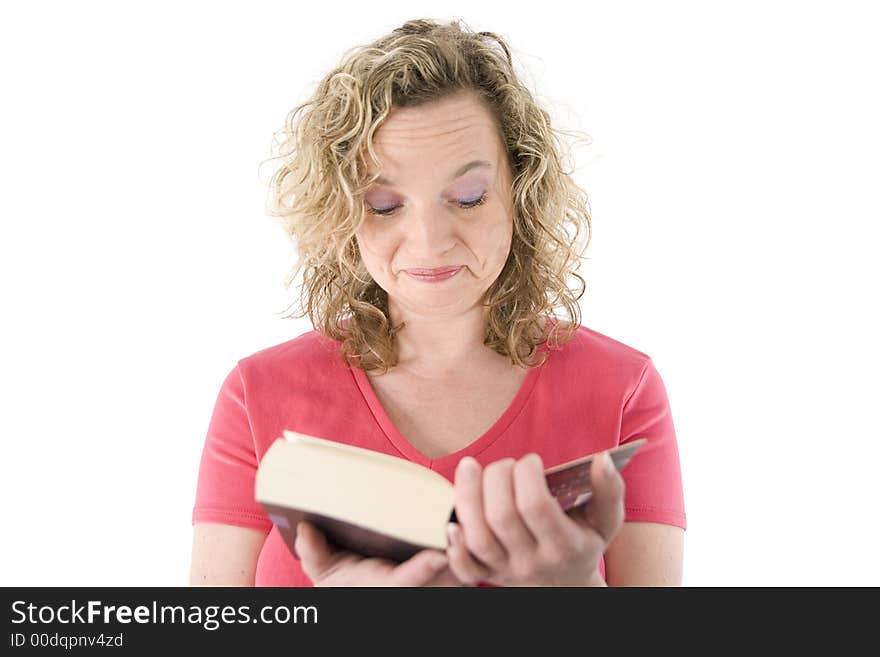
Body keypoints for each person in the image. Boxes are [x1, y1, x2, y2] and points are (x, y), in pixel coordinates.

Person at [190, 18, 685, 587]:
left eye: (469, 197)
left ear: (520, 191)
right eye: (382, 204)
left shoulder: (623, 388)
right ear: (341, 211)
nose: (429, 241)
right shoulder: (257, 394)